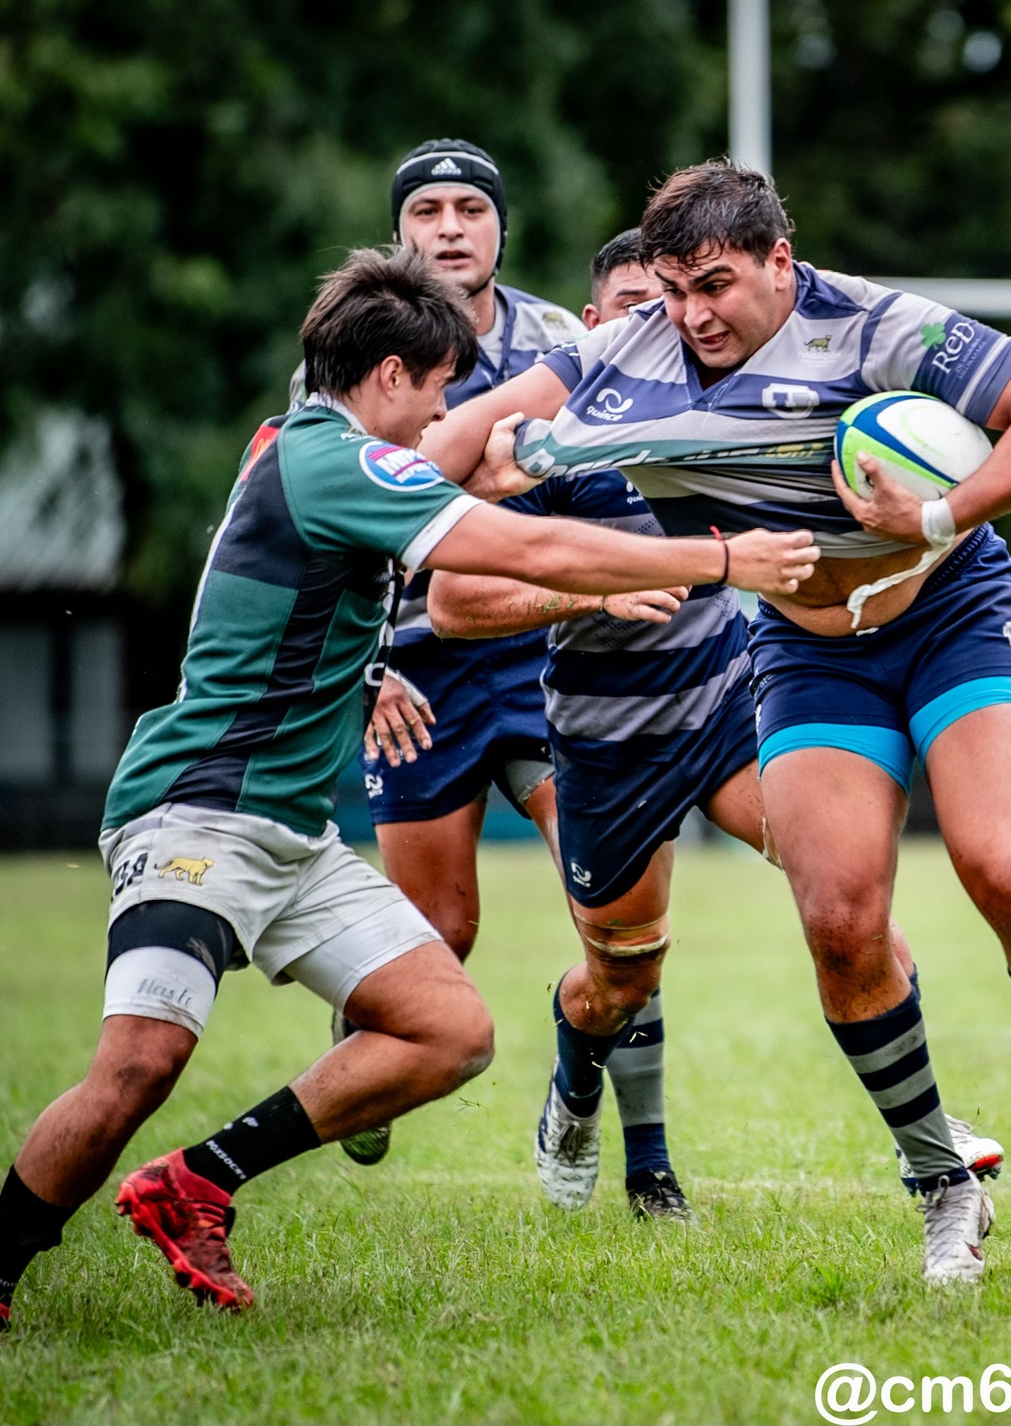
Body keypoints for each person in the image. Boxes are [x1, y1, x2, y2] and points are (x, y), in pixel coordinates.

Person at [0, 247, 816, 1338]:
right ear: (393, 374)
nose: (445, 408)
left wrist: (368, 664)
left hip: (295, 837)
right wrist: (718, 560)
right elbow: (519, 544)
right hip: (197, 809)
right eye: (442, 384)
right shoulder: (331, 455)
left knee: (448, 1030)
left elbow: (358, 572)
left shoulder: (322, 457)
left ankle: (198, 1181)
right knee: (140, 1062)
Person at [420, 160, 1011, 1286]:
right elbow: (450, 450)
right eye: (672, 290)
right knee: (837, 919)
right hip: (803, 647)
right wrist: (468, 466)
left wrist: (937, 508)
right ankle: (939, 1183)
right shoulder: (620, 353)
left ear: (781, 259)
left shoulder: (875, 325)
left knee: (1004, 868)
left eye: (715, 285)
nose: (691, 316)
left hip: (951, 614)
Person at [427, 230, 1001, 1222]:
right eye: (640, 308)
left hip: (731, 704)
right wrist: (589, 598)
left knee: (847, 902)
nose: (673, 326)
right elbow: (451, 603)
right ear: (598, 330)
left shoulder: (738, 412)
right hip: (610, 739)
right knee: (619, 975)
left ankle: (927, 1139)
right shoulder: (545, 451)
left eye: (682, 304)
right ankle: (572, 1092)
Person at [338, 139, 585, 1167]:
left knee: (606, 890)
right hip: (416, 663)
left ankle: (631, 1153)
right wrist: (361, 667)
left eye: (469, 209)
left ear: (500, 229)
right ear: (399, 230)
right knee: (442, 928)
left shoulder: (559, 337)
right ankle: (365, 1054)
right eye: (428, 209)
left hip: (538, 648)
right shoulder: (355, 347)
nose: (449, 227)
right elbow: (320, 518)